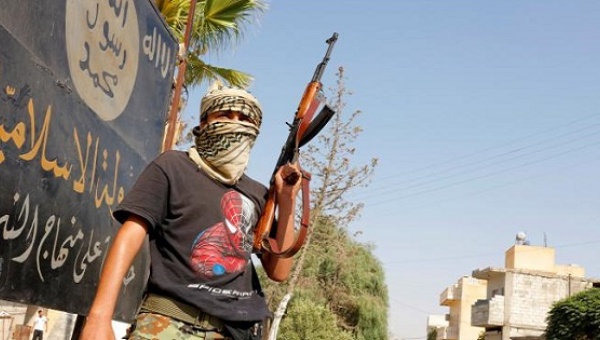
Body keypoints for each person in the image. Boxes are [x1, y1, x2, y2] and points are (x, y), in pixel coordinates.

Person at [80, 83, 301, 340]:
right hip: (169, 324)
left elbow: (279, 271)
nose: (235, 123)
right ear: (205, 121)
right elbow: (131, 235)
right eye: (225, 115)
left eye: (244, 119)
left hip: (233, 331)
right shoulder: (174, 166)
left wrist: (287, 201)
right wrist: (98, 317)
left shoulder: (257, 193)